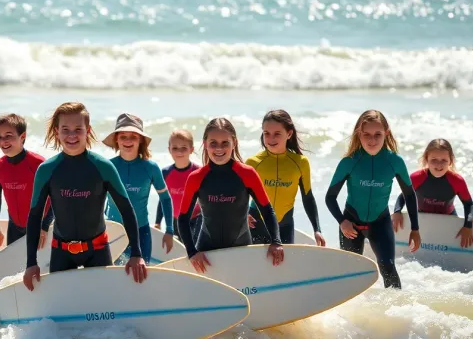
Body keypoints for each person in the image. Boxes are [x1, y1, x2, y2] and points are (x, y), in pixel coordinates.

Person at [22, 102, 147, 291]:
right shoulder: (46, 170)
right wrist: (31, 263)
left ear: (87, 130)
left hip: (97, 250)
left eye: (78, 129)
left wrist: (136, 254)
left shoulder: (103, 167)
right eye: (65, 129)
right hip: (61, 252)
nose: (72, 135)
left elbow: (126, 209)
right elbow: (34, 216)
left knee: (105, 311)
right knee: (62, 314)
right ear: (57, 131)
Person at [325, 109, 421, 289]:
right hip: (351, 223)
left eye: (378, 134)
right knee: (350, 272)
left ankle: (394, 313)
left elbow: (409, 194)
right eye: (366, 135)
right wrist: (342, 221)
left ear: (387, 133)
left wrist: (415, 228)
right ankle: (351, 315)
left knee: (388, 268)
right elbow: (330, 197)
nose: (372, 140)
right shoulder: (349, 162)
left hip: (380, 222)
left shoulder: (395, 161)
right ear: (358, 134)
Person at [178, 117, 284, 274]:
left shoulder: (247, 174)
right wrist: (192, 252)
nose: (218, 148)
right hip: (206, 253)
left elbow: (267, 210)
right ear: (205, 144)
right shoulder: (196, 177)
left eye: (225, 143)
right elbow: (183, 218)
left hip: (241, 250)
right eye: (213, 143)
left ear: (234, 142)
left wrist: (276, 241)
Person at [246, 110, 325, 246]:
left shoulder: (300, 163)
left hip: (285, 226)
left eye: (277, 134)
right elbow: (240, 195)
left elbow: (308, 197)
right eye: (266, 133)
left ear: (289, 133)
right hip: (255, 224)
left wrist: (317, 229)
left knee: (283, 267)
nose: (271, 139)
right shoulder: (253, 162)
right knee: (255, 267)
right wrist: (242, 216)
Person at [102, 113, 174, 264]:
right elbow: (95, 198)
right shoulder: (108, 166)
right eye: (123, 136)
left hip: (141, 232)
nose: (128, 141)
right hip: (113, 233)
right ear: (116, 139)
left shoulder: (150, 168)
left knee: (140, 279)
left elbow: (165, 198)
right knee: (112, 280)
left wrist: (169, 229)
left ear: (140, 139)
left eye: (133, 136)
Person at [0, 113, 54, 258]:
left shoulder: (38, 164)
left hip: (39, 227)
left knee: (38, 268)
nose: (3, 141)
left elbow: (53, 198)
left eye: (8, 135)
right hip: (14, 227)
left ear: (22, 137)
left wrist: (45, 227)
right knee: (15, 274)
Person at [393, 138, 473, 248]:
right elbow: (404, 197)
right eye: (434, 160)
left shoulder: (457, 181)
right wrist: (397, 212)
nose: (439, 165)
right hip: (422, 218)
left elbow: (469, 204)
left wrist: (468, 226)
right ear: (426, 159)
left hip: (449, 219)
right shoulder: (417, 178)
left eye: (444, 160)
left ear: (450, 161)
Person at [155, 129, 203, 245]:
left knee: (195, 250)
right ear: (169, 150)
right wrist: (158, 222)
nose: (179, 152)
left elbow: (205, 198)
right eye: (175, 148)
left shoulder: (198, 171)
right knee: (182, 250)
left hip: (195, 219)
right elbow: (163, 199)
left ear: (191, 149)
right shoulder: (165, 172)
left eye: (184, 148)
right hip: (175, 220)